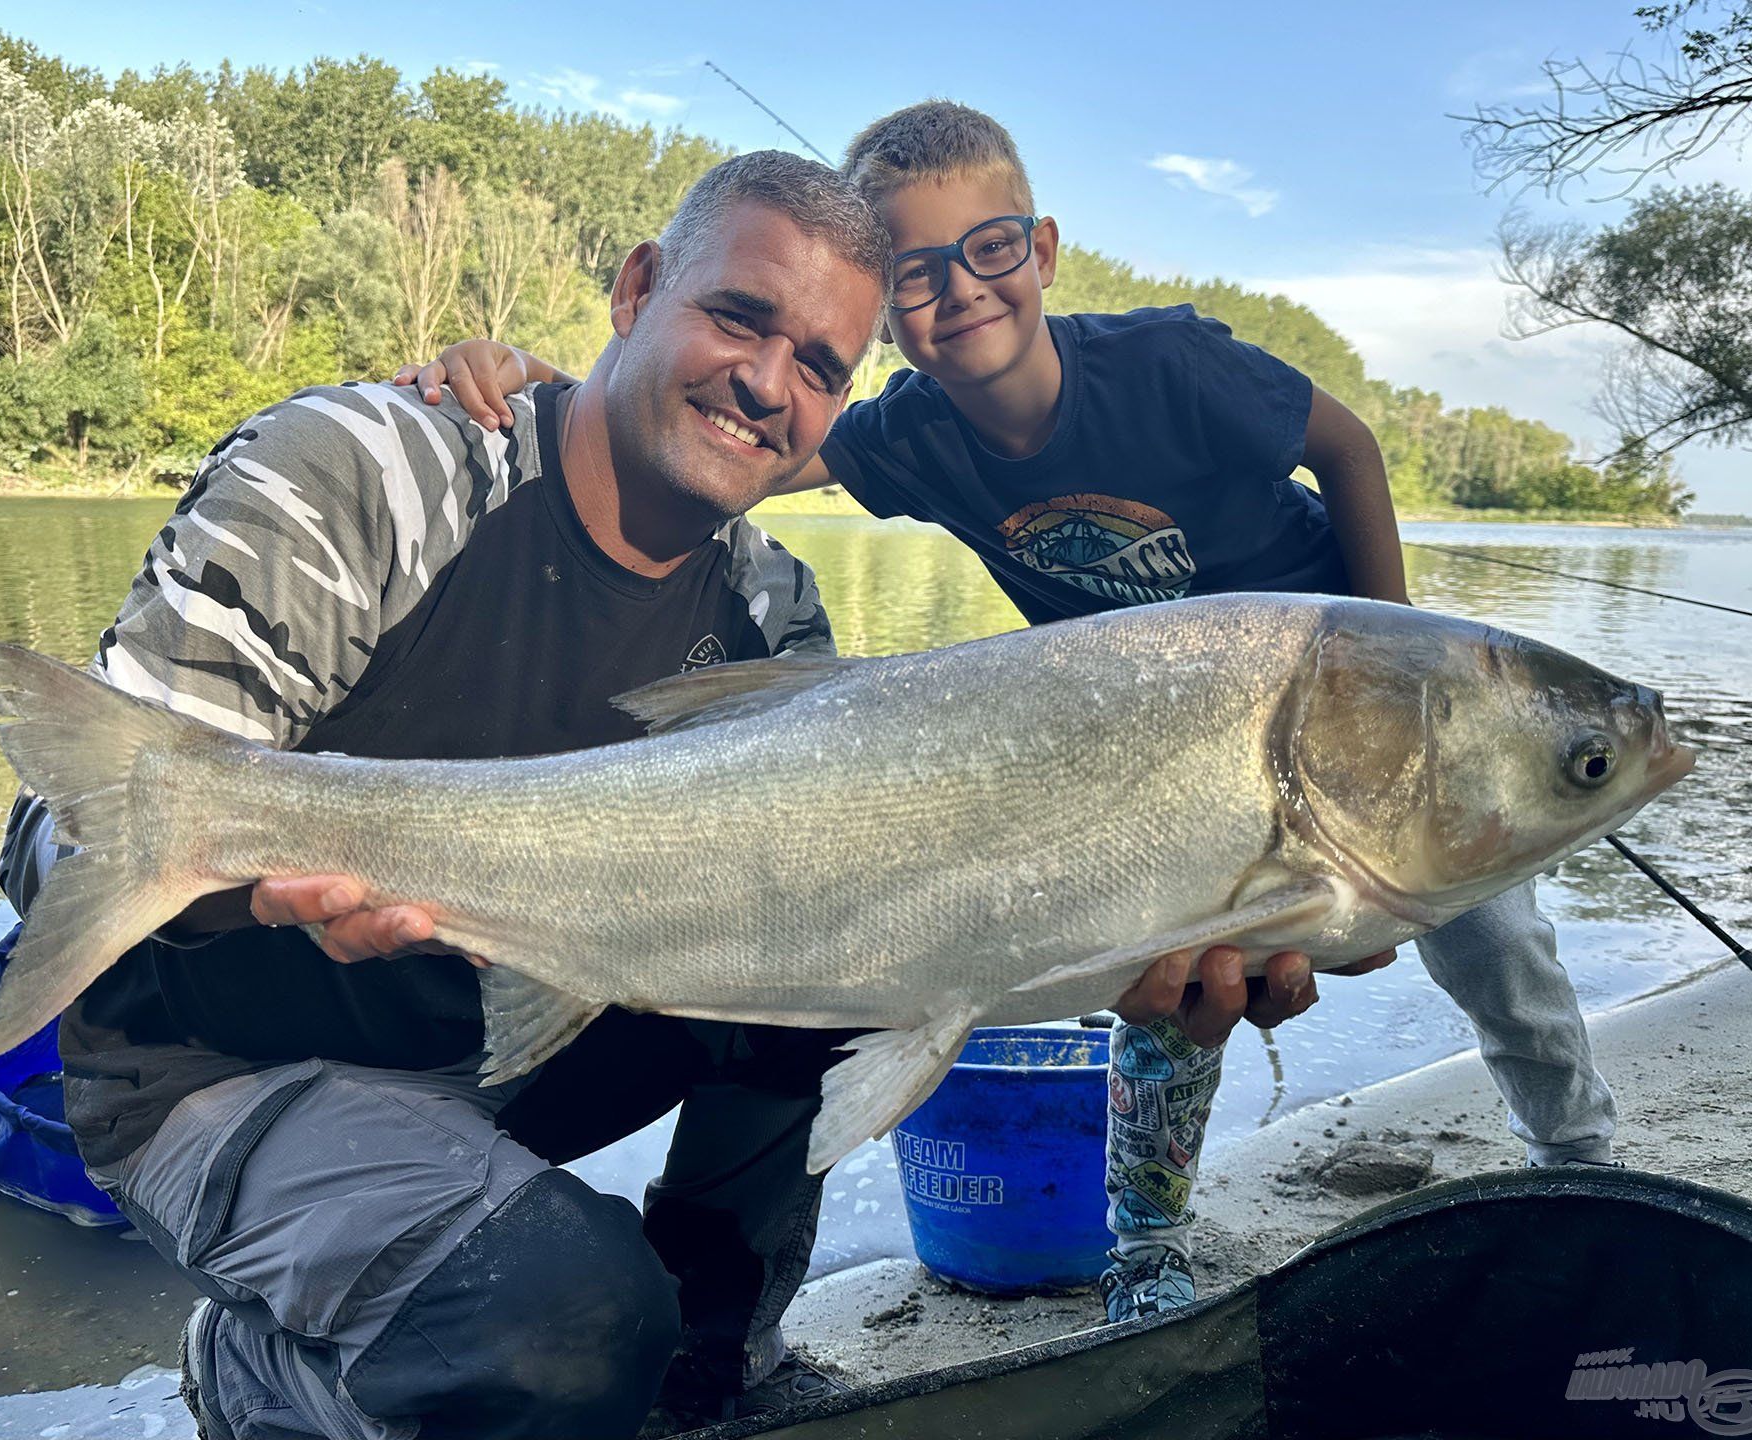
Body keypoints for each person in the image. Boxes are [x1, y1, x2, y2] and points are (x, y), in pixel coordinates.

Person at [0, 149, 1343, 1440]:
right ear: (637, 291)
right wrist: (253, 887)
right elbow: (64, 844)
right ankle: (253, 1371)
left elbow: (893, 925)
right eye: (738, 318)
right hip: (223, 1065)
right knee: (564, 1327)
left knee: (866, 962)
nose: (768, 382)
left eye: (820, 367)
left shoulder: (774, 615)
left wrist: (1106, 936)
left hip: (509, 1042)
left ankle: (720, 1357)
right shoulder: (373, 470)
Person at [400, 100, 1620, 1331]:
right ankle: (1146, 1238)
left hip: (1339, 716)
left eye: (987, 251)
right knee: (1166, 991)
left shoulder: (1168, 363)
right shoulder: (908, 435)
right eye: (915, 274)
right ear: (885, 316)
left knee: (1498, 947)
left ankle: (1580, 1159)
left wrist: (1397, 647)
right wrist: (549, 383)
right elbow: (751, 426)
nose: (959, 292)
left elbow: (1347, 445)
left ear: (1038, 252)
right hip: (1145, 762)